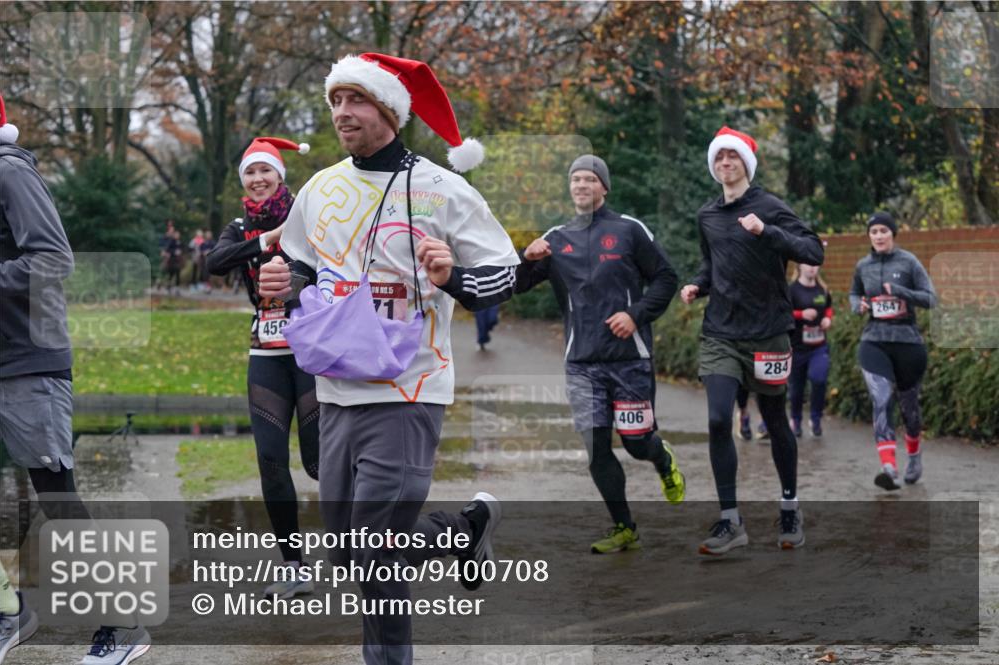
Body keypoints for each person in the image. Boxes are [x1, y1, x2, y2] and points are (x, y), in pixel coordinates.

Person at [258, 53, 518, 665]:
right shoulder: (321, 188)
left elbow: (502, 271)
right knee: (352, 552)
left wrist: (452, 276)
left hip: (409, 387)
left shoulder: (441, 188)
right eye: (337, 103)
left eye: (358, 101)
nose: (344, 114)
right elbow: (298, 262)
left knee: (376, 549)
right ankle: (462, 531)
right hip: (336, 388)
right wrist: (282, 279)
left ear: (391, 111)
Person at [0, 93, 150, 665]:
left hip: (27, 361)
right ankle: (10, 611)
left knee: (56, 498)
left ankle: (124, 622)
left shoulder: (8, 171)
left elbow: (54, 259)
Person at [515, 154, 684, 554]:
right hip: (582, 363)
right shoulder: (555, 239)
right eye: (575, 179)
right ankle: (624, 527)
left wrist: (635, 314)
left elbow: (666, 277)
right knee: (595, 445)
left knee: (636, 442)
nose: (581, 185)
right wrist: (527, 259)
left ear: (603, 188)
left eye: (589, 179)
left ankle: (661, 459)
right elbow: (518, 286)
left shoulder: (629, 230)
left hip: (629, 358)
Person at [679, 126, 823, 555]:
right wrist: (697, 286)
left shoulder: (770, 207)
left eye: (733, 158)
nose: (725, 164)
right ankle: (730, 520)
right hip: (721, 332)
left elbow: (813, 251)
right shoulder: (707, 215)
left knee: (775, 419)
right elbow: (714, 266)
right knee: (719, 420)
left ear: (746, 164)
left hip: (768, 333)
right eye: (719, 159)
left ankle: (790, 507)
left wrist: (767, 232)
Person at [205, 136, 320, 596]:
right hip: (266, 353)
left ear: (280, 176)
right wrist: (265, 241)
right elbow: (215, 261)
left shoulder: (308, 217)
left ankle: (369, 549)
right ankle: (294, 567)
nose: (257, 179)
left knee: (319, 463)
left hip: (312, 352)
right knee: (271, 463)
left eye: (264, 171)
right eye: (250, 173)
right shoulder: (239, 228)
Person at [849, 212, 936, 490]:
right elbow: (854, 293)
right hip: (874, 340)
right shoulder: (863, 266)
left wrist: (901, 291)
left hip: (908, 343)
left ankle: (913, 456)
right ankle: (889, 467)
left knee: (909, 409)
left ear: (893, 234)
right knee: (881, 398)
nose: (878, 236)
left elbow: (930, 298)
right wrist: (858, 305)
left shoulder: (908, 262)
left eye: (883, 231)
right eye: (873, 232)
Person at [787, 263, 833, 437]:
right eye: (808, 264)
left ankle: (815, 418)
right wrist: (800, 314)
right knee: (796, 389)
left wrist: (828, 320)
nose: (812, 268)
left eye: (816, 264)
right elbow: (783, 312)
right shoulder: (792, 290)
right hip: (797, 347)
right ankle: (796, 420)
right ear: (799, 267)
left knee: (819, 378)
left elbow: (828, 308)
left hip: (818, 346)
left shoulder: (822, 289)